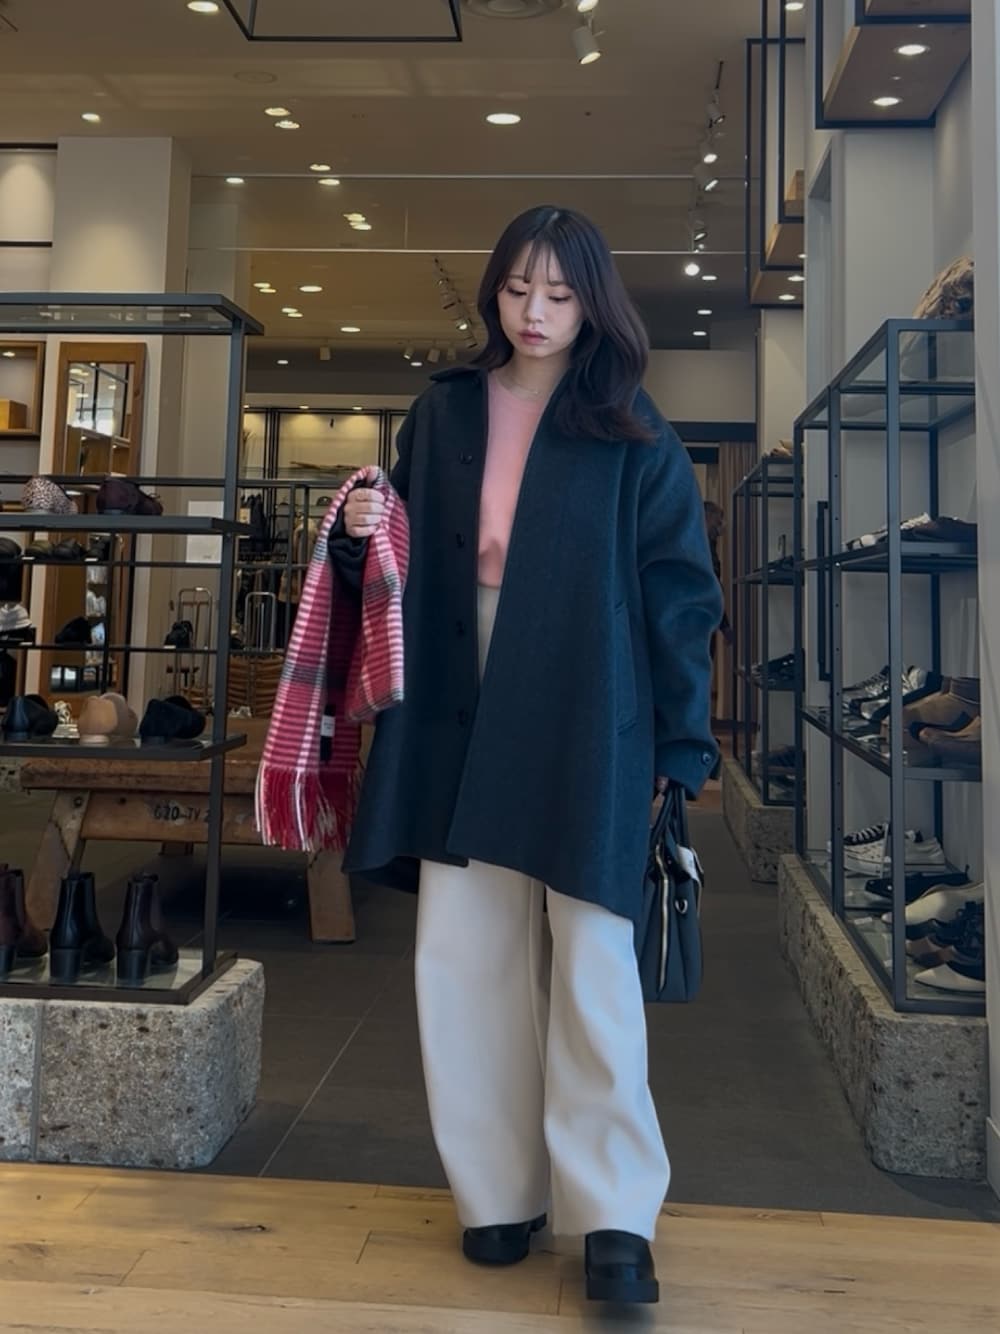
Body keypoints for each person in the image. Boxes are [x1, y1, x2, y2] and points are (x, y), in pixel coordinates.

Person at [335, 206, 721, 1306]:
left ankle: (614, 1214)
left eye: (558, 293)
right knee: (465, 954)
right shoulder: (445, 410)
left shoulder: (631, 426)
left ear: (593, 301)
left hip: (589, 700)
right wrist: (358, 531)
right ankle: (496, 1192)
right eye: (516, 290)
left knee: (593, 957)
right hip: (456, 692)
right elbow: (397, 550)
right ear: (492, 293)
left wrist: (681, 740)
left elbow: (679, 594)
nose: (535, 312)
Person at [703, 500, 733, 658]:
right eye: (719, 520)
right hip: (700, 623)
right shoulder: (704, 547)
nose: (722, 525)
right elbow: (712, 587)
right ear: (707, 518)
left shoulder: (703, 545)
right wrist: (725, 626)